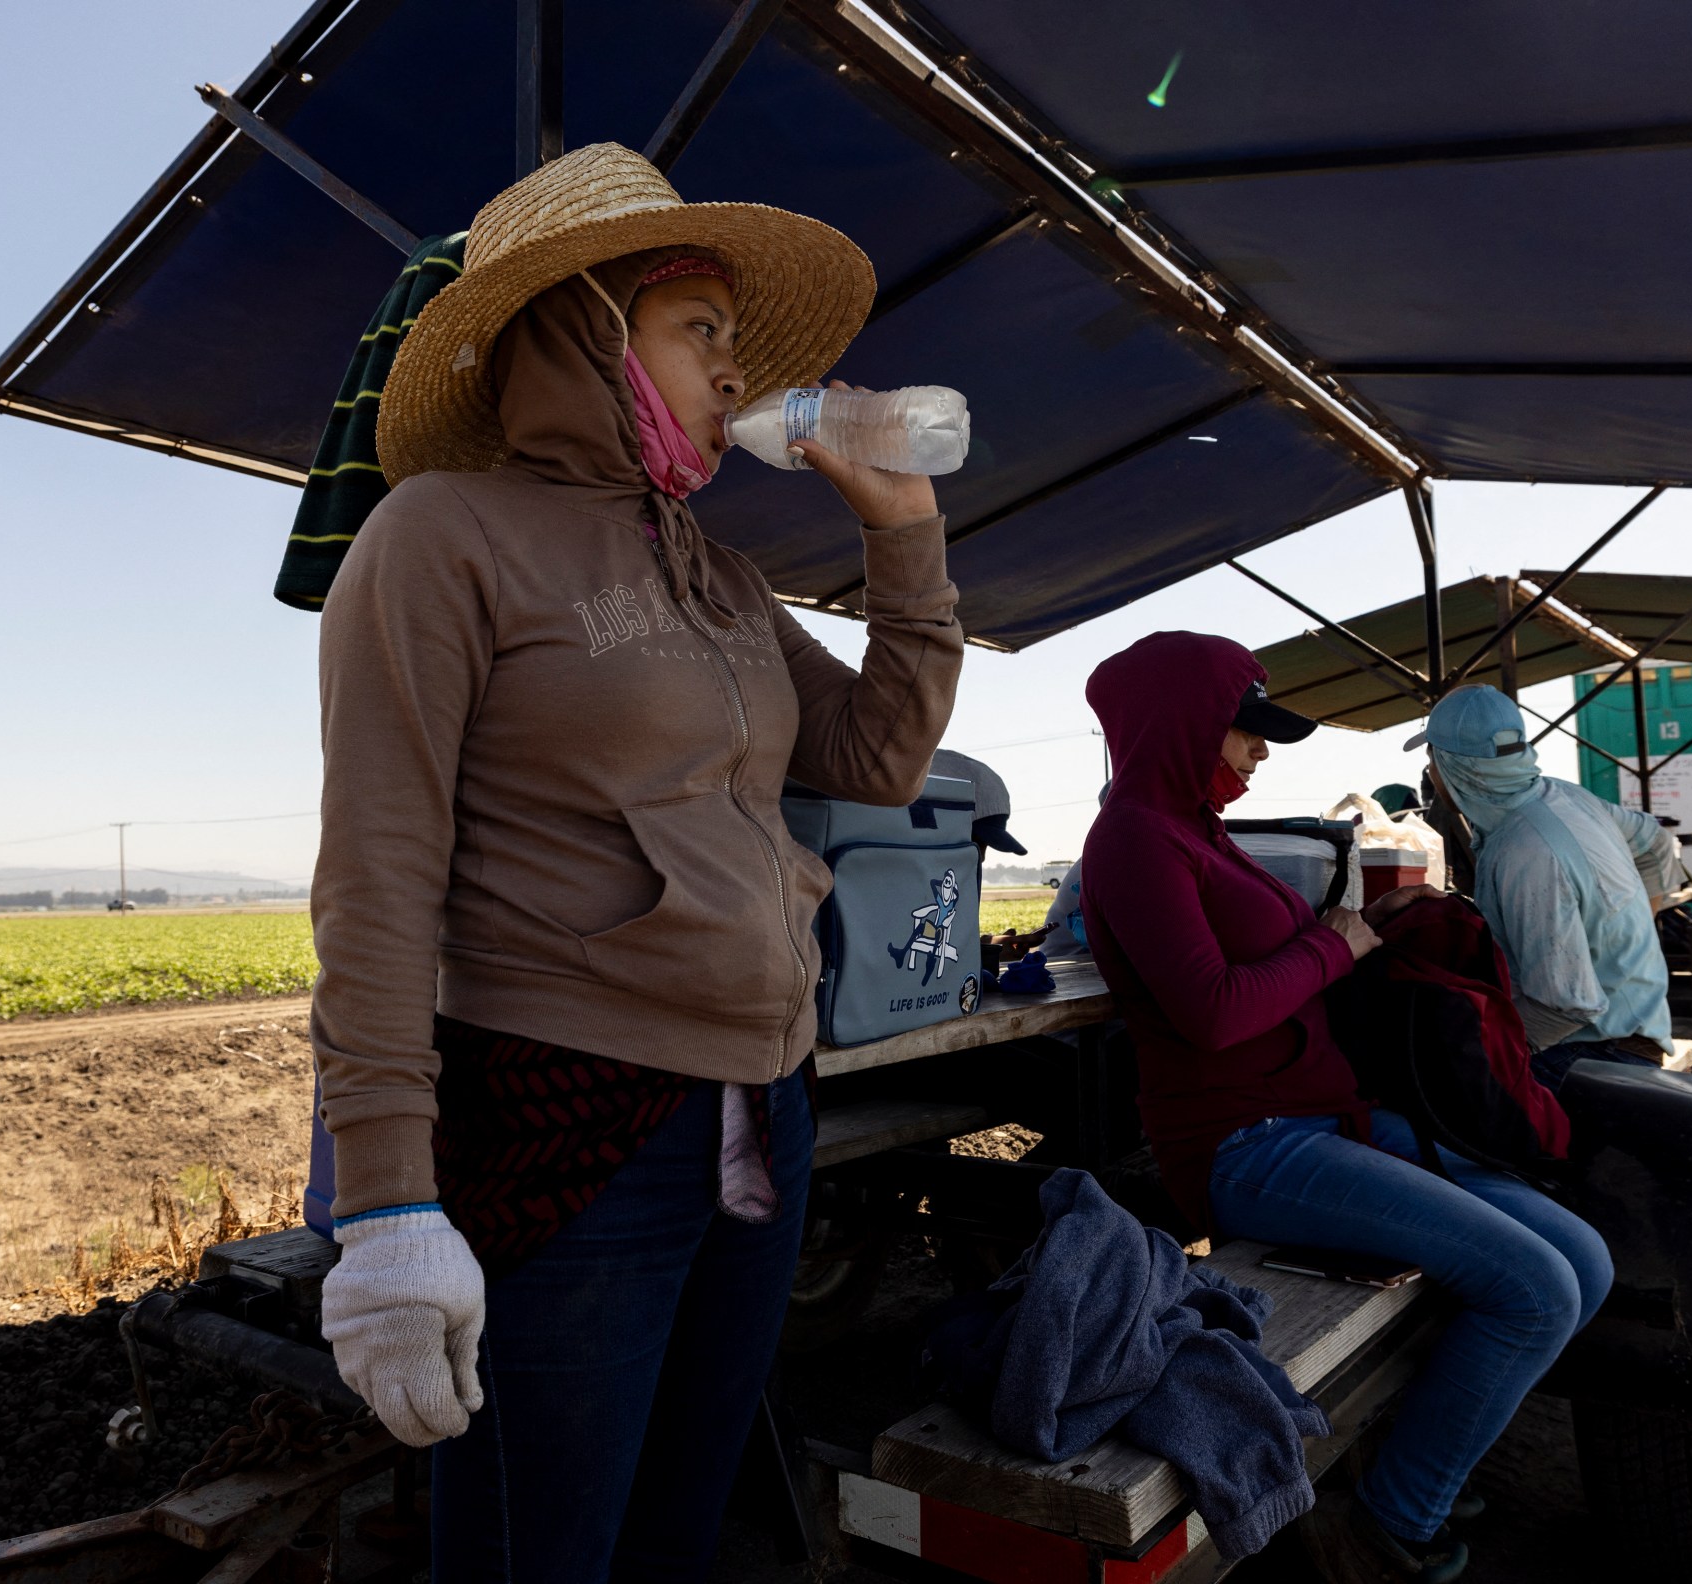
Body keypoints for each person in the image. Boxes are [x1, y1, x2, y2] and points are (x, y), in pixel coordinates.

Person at [306, 144, 964, 1582]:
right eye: (702, 331)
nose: (735, 373)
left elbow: (873, 761)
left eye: (736, 339)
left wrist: (903, 540)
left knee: (683, 1523)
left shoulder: (716, 570)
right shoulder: (442, 537)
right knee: (542, 1549)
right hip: (569, 1111)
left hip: (762, 1107)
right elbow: (376, 869)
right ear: (587, 328)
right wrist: (390, 1203)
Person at [1080, 634, 1611, 1584]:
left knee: (1584, 1257)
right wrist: (1343, 941)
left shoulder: (1199, 831)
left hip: (1326, 1121)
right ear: (1181, 723)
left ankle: (1424, 1456)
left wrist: (1369, 938)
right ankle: (1389, 1523)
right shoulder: (1133, 838)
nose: (1261, 751)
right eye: (1245, 729)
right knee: (1536, 1290)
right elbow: (1211, 1012)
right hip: (1246, 1147)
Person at [1406, 686, 1684, 1093]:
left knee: (1427, 1084)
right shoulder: (1567, 796)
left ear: (1453, 767)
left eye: (1431, 759)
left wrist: (1483, 1048)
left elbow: (1567, 1006)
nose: (1430, 773)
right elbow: (1655, 839)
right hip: (1638, 1024)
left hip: (1597, 1053)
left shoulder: (1524, 851)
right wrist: (1632, 924)